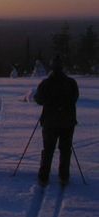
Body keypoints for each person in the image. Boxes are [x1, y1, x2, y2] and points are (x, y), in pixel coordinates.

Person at [34, 55, 79, 185]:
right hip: (68, 122)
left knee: (48, 149)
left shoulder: (46, 83)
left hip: (50, 122)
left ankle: (44, 176)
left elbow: (39, 100)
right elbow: (74, 98)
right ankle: (64, 176)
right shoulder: (71, 83)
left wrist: (50, 102)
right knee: (65, 150)